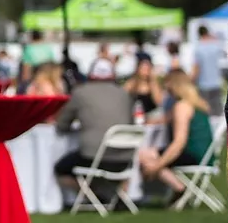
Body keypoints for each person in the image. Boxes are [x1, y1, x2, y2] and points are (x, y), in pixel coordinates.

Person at [53, 58, 135, 200]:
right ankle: (111, 197)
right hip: (126, 159)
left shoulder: (80, 92)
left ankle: (95, 197)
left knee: (61, 169)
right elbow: (131, 124)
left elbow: (62, 125)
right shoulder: (124, 94)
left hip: (93, 157)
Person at [137, 69, 215, 200]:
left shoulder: (181, 107)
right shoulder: (196, 103)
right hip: (205, 155)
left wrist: (157, 166)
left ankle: (179, 188)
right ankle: (175, 190)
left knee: (144, 156)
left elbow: (179, 143)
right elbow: (167, 118)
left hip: (192, 154)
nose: (166, 89)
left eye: (167, 85)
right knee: (151, 154)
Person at [191, 25, 225, 116]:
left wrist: (192, 80)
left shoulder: (198, 49)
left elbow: (197, 67)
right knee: (218, 112)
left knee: (205, 112)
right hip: (216, 82)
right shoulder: (215, 46)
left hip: (204, 84)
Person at [123, 54, 164, 122]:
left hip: (151, 118)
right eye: (143, 68)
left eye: (148, 68)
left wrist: (153, 81)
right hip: (135, 117)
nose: (146, 71)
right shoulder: (131, 84)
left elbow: (159, 101)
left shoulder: (153, 84)